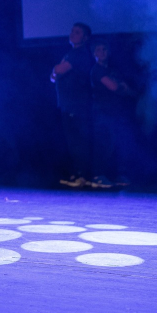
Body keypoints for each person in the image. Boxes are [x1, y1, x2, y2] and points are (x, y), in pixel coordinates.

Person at [51, 22, 94, 189]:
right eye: (72, 31)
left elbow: (57, 70)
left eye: (77, 32)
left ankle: (82, 175)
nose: (72, 34)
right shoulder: (71, 53)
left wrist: (56, 70)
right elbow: (53, 76)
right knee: (74, 141)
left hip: (76, 105)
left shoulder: (78, 54)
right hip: (69, 104)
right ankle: (79, 174)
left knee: (77, 141)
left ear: (85, 37)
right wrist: (56, 71)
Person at [89, 40, 134, 189]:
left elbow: (127, 90)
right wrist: (121, 87)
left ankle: (118, 174)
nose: (102, 52)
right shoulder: (97, 70)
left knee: (118, 144)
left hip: (115, 112)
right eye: (99, 49)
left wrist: (122, 88)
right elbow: (114, 87)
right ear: (94, 53)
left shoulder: (113, 70)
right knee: (103, 144)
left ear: (109, 52)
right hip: (102, 112)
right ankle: (98, 176)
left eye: (104, 49)